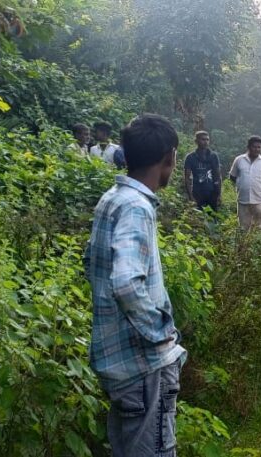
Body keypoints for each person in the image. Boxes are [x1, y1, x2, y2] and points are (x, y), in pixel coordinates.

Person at [85, 114, 185, 457]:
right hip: (144, 366)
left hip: (118, 362)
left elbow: (92, 265)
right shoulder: (136, 208)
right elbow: (126, 283)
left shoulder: (111, 199)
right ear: (169, 157)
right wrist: (161, 332)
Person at [229, 136, 261, 232]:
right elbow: (232, 176)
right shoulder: (239, 160)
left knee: (260, 228)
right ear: (248, 147)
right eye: (254, 147)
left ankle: (259, 247)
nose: (257, 149)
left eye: (259, 147)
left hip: (260, 200)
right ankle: (243, 247)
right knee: (243, 228)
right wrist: (241, 184)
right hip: (242, 200)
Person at [183, 131, 222, 212]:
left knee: (213, 220)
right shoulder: (190, 157)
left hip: (212, 194)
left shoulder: (213, 156)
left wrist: (219, 194)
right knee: (198, 221)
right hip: (197, 194)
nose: (206, 142)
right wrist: (190, 196)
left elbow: (218, 176)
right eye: (203, 139)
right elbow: (187, 178)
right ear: (196, 141)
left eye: (207, 140)